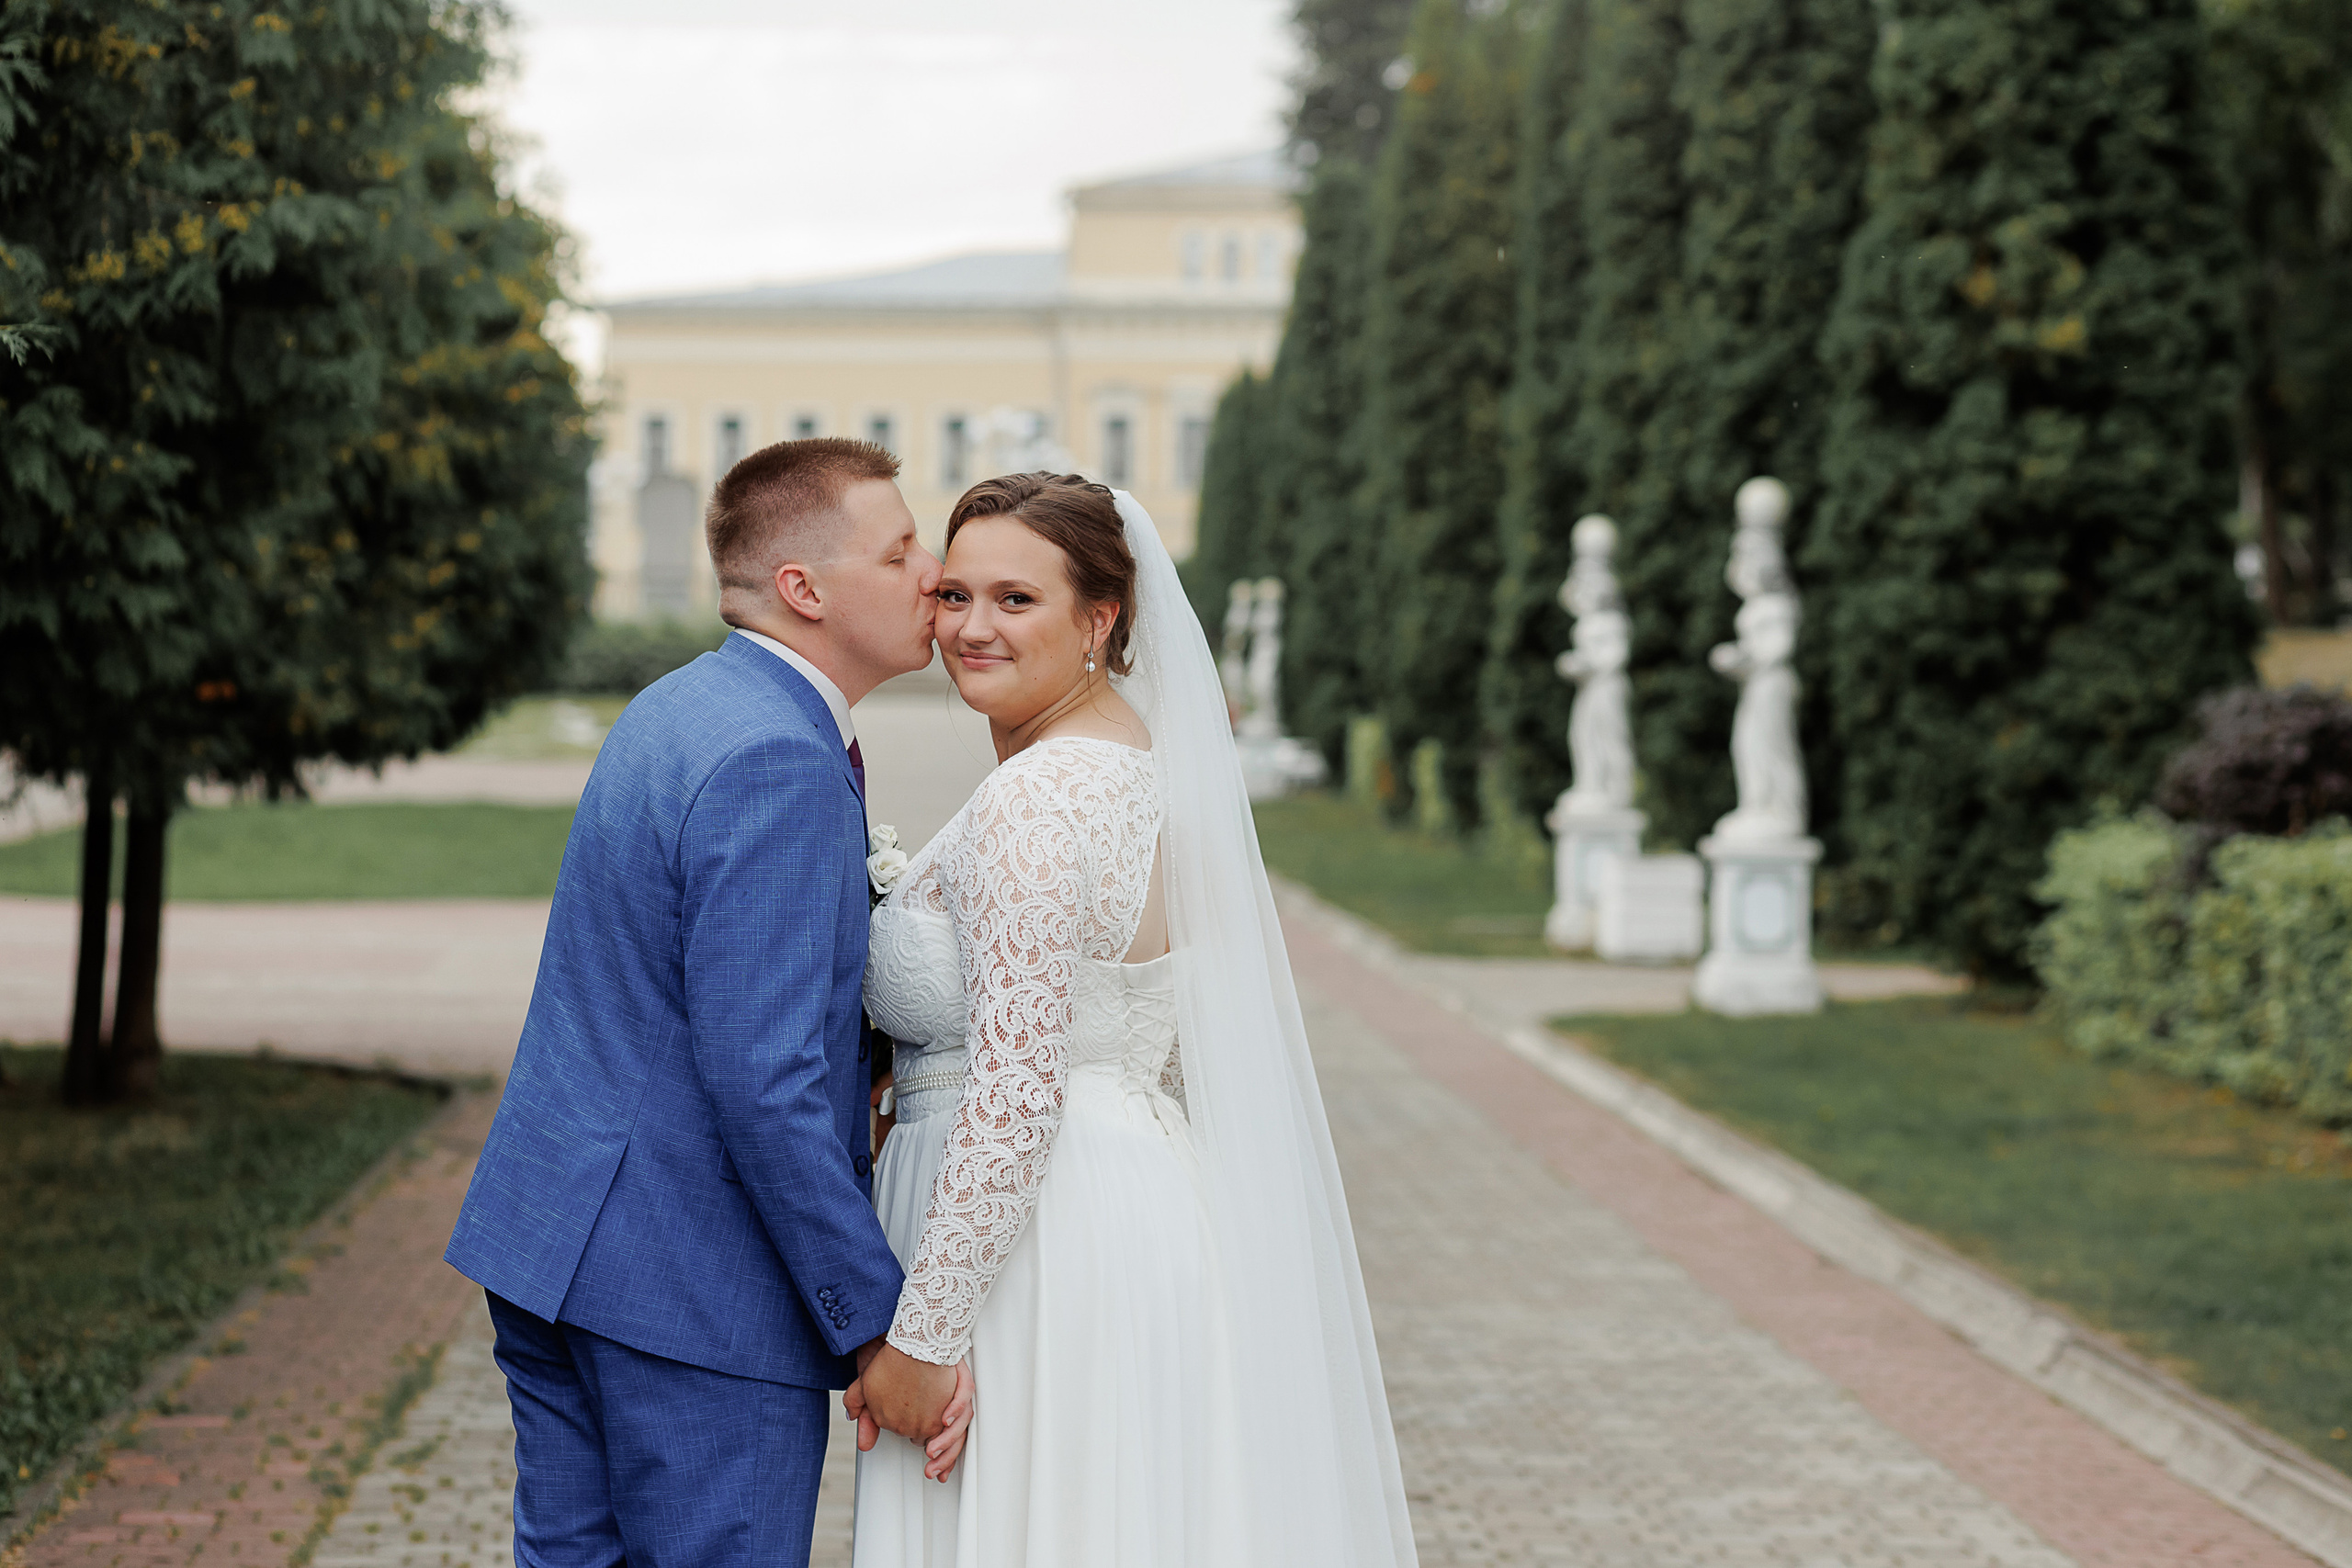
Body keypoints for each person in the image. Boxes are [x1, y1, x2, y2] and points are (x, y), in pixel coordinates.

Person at [849, 473, 1419, 1566]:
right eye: (954, 594)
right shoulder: (1137, 771)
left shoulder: (1036, 799)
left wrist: (923, 1338)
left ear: (1100, 618)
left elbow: (1016, 1090)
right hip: (1128, 1200)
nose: (972, 627)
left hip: (1034, 1240)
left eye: (1016, 600)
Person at [446, 438, 970, 1568]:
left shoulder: (683, 705)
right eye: (899, 549)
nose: (932, 571)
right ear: (804, 590)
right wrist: (873, 1325)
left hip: (559, 1251)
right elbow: (764, 1085)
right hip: (690, 1297)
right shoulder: (775, 758)